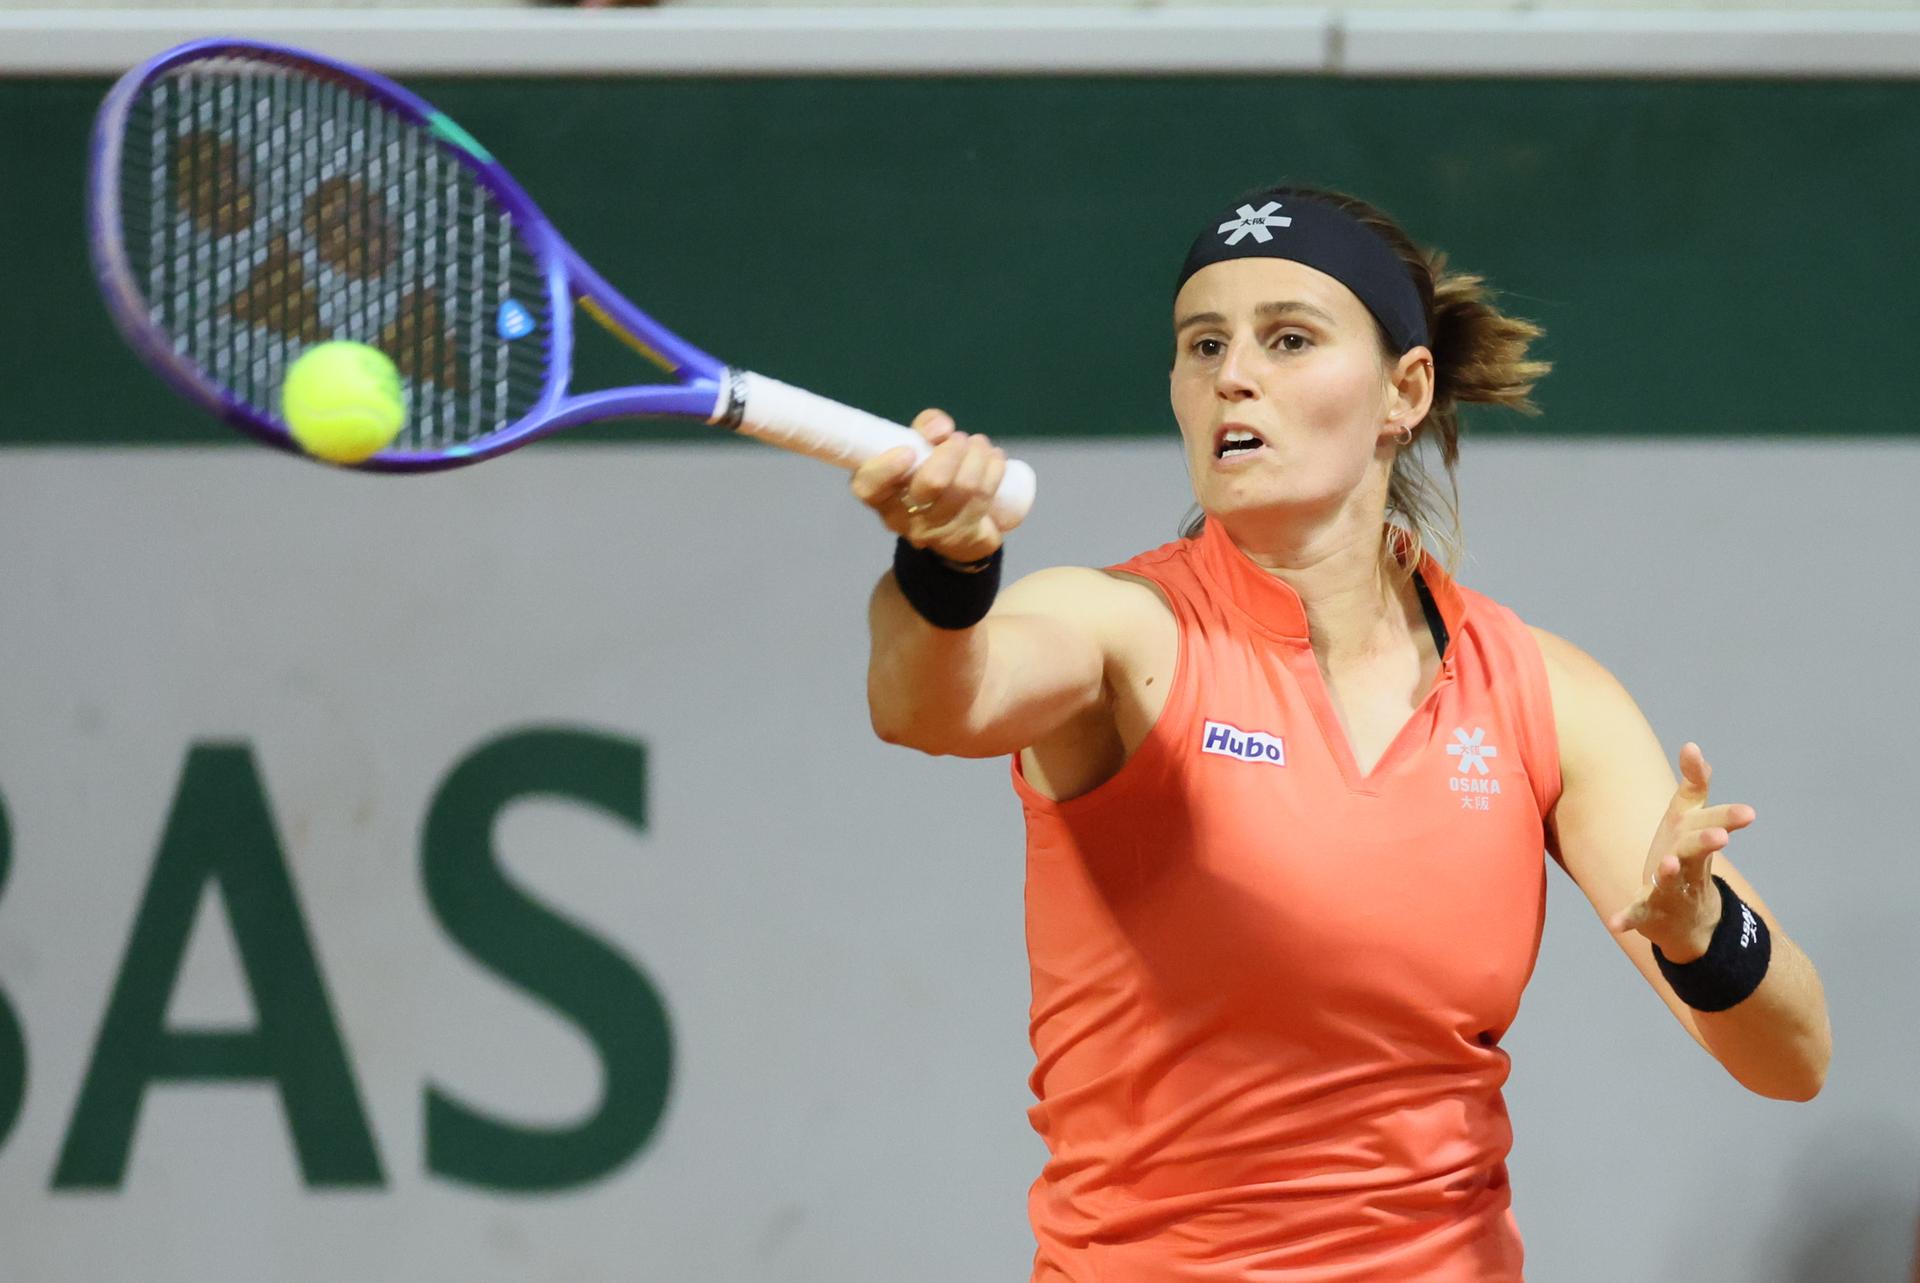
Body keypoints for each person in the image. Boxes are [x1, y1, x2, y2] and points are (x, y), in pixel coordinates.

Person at [854, 184, 1831, 1281]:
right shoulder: (1126, 631)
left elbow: (1794, 1057)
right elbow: (931, 702)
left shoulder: (1538, 690)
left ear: (1403, 391)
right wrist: (948, 572)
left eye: (1288, 338)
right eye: (1204, 342)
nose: (1234, 372)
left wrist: (1701, 930)